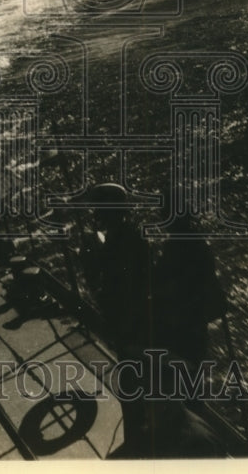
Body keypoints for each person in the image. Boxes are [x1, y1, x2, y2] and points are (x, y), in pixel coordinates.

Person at [76, 183, 228, 456]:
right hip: (179, 336)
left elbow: (152, 292)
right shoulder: (183, 245)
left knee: (170, 399)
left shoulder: (174, 248)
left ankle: (179, 452)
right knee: (176, 398)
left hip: (173, 338)